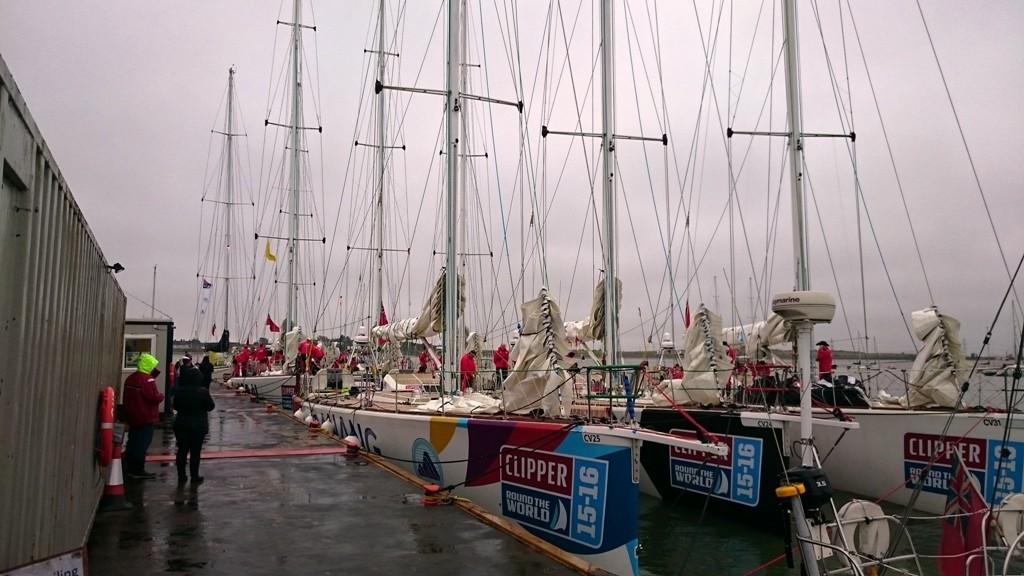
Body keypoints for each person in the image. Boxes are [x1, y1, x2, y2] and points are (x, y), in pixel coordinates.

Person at [121, 353, 165, 479]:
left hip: (133, 416)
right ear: (149, 365)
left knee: (133, 442)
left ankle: (130, 467)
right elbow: (152, 397)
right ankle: (138, 469)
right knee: (142, 444)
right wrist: (160, 396)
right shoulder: (147, 380)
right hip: (145, 416)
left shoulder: (131, 378)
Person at [172, 358, 216, 485]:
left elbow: (175, 406)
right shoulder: (203, 392)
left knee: (182, 451)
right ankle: (194, 476)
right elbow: (210, 407)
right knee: (195, 452)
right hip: (198, 426)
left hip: (181, 425)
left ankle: (181, 475)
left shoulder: (180, 391)